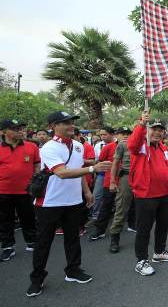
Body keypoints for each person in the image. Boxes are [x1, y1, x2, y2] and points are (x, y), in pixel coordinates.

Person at [27, 111, 111, 297]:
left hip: (73, 201)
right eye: (65, 123)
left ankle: (73, 270)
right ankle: (37, 279)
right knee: (43, 242)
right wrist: (92, 168)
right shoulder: (48, 148)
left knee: (73, 238)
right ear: (52, 127)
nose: (70, 125)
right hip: (49, 202)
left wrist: (87, 192)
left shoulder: (79, 146)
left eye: (71, 122)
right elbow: (62, 173)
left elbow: (77, 171)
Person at [128, 113, 168, 276]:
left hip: (164, 193)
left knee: (163, 225)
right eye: (154, 129)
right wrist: (142, 124)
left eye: (160, 130)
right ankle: (141, 260)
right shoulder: (142, 146)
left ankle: (159, 252)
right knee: (144, 228)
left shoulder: (164, 148)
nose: (157, 133)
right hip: (146, 195)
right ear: (147, 131)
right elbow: (133, 144)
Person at [0, 119, 39, 262]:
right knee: (5, 220)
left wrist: (35, 182)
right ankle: (8, 247)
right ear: (4, 132)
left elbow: (37, 165)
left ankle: (32, 242)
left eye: (20, 128)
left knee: (28, 217)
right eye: (15, 129)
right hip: (3, 192)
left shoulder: (32, 147)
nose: (20, 131)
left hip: (25, 191)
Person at [106, 127, 135, 253]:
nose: (125, 136)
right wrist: (112, 181)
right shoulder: (122, 146)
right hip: (126, 177)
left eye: (128, 134)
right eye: (122, 134)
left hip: (141, 177)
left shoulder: (142, 143)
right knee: (121, 207)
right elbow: (115, 164)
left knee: (144, 207)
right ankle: (114, 237)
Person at [89, 129, 119, 241]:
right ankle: (100, 230)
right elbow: (100, 162)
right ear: (118, 135)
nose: (102, 136)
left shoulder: (131, 146)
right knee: (106, 205)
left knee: (131, 206)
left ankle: (132, 225)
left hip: (127, 181)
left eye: (127, 135)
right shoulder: (107, 147)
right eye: (123, 134)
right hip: (109, 181)